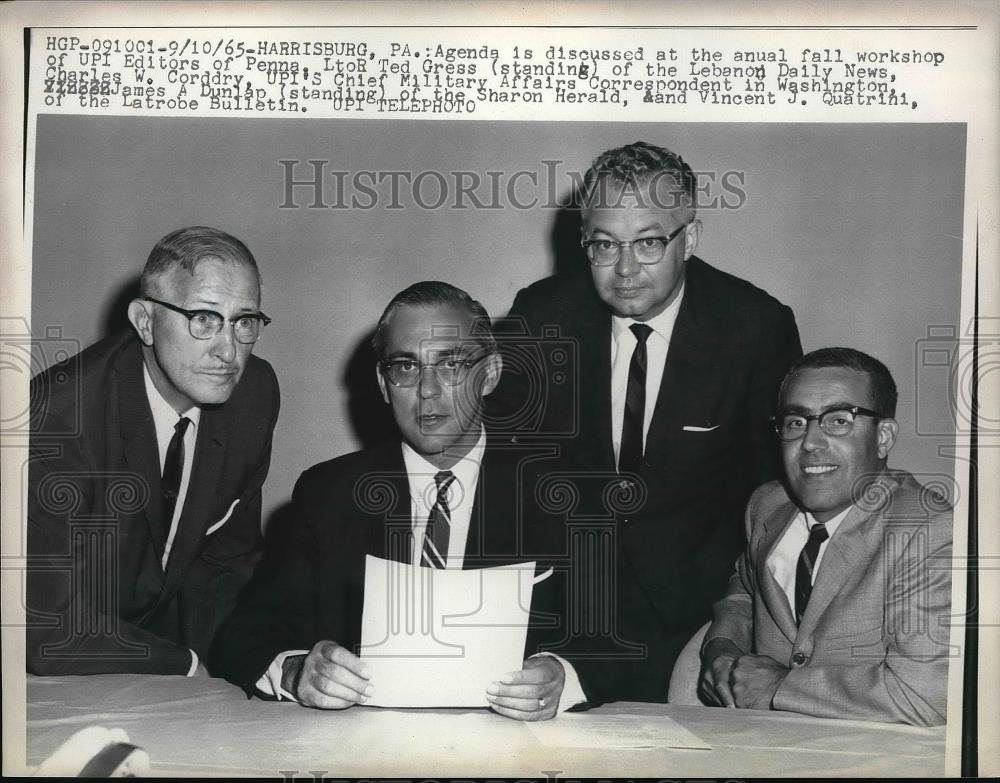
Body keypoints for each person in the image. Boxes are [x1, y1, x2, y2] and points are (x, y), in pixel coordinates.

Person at [490, 141, 803, 704]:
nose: (626, 269)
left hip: (696, 625)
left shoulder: (755, 327)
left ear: (691, 239)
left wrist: (731, 634)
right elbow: (512, 472)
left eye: (650, 242)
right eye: (604, 245)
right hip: (567, 619)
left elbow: (774, 498)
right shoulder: (542, 312)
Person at [213, 281, 568, 720]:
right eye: (405, 368)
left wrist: (561, 675)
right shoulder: (328, 494)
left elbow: (622, 640)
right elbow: (245, 635)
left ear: (490, 374)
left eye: (451, 364)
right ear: (383, 383)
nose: (427, 390)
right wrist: (296, 669)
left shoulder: (557, 492)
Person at [27, 226, 280, 676]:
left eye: (245, 322)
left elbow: (229, 565)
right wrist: (185, 664)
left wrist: (252, 663)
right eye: (204, 318)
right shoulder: (58, 417)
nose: (228, 350)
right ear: (145, 321)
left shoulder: (254, 395)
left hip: (162, 668)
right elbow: (46, 625)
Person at [699, 348, 952, 726]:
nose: (811, 442)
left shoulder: (928, 531)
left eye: (838, 421)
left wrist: (780, 686)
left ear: (883, 437)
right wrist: (722, 647)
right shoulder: (768, 505)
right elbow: (744, 593)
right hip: (761, 745)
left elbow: (926, 694)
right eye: (796, 422)